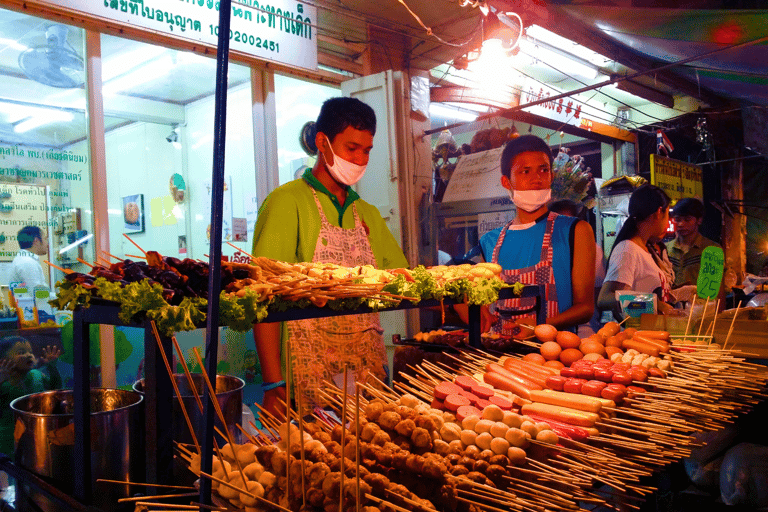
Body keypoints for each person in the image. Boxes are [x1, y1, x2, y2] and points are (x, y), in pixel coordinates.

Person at [251, 97, 408, 417]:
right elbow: (261, 299)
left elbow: (403, 281)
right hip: (307, 381)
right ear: (322, 142)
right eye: (351, 148)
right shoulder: (285, 202)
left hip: (368, 377)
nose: (360, 159)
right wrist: (272, 384)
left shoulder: (367, 214)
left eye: (366, 151)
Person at [473, 135, 596, 333]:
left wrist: (541, 326)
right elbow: (485, 304)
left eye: (543, 170)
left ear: (552, 176)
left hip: (554, 357)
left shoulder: (575, 231)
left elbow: (585, 307)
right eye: (525, 171)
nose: (536, 179)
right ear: (506, 182)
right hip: (499, 355)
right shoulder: (489, 242)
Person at [598, 184, 681, 317]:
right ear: (659, 212)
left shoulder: (647, 248)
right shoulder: (628, 249)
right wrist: (653, 303)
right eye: (667, 214)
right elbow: (605, 298)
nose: (667, 222)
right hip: (634, 334)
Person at [548, 199, 605, 336]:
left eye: (570, 221)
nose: (565, 226)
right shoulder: (543, 250)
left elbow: (597, 294)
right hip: (546, 329)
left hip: (583, 329)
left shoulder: (592, 249)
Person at [0, 336, 61, 455]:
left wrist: (52, 367)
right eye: (21, 352)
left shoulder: (37, 375)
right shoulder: (3, 383)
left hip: (36, 434)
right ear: (3, 360)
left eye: (30, 352)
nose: (29, 355)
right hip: (7, 440)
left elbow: (55, 390)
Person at [666, 198, 721, 288]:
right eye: (677, 219)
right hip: (671, 302)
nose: (681, 224)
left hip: (701, 301)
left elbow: (717, 286)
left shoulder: (712, 249)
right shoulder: (666, 249)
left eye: (687, 220)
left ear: (699, 220)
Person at [9, 226, 48, 290]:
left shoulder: (23, 260)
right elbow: (38, 295)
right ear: (36, 241)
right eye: (45, 239)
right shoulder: (28, 263)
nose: (47, 244)